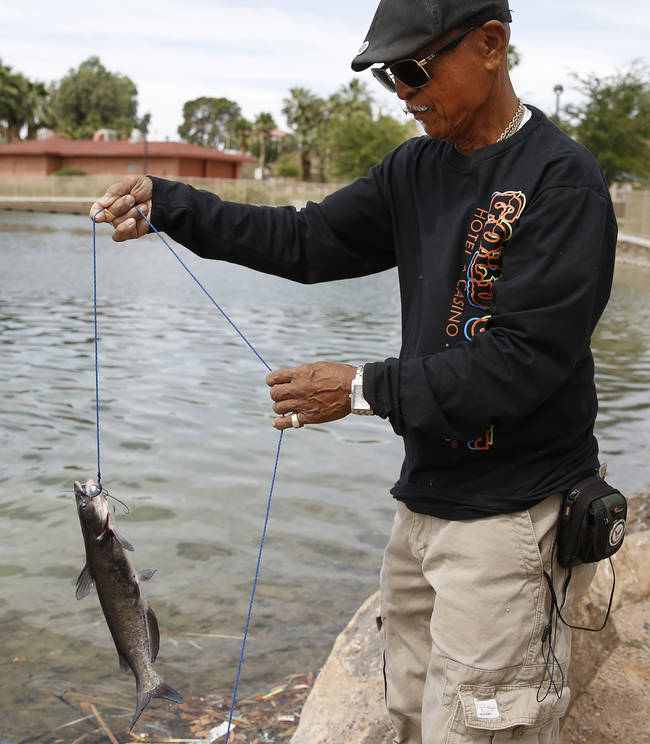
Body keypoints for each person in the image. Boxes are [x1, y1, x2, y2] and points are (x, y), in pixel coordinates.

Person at [89, 1, 617, 742]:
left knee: (479, 732)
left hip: (512, 521)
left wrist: (359, 389)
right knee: (408, 715)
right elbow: (306, 240)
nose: (401, 90)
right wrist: (172, 205)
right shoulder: (417, 168)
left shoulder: (564, 182)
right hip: (424, 509)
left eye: (412, 68)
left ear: (491, 45)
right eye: (387, 76)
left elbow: (520, 366)